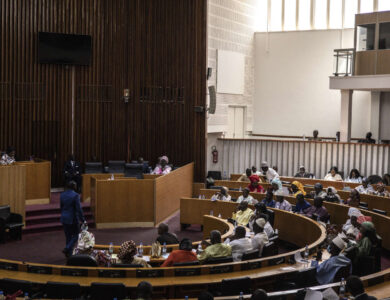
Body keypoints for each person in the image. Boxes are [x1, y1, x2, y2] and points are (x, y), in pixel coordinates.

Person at [60, 181, 85, 257]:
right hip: (73, 219)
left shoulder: (62, 195)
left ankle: (69, 254)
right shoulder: (76, 195)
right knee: (76, 236)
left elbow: (61, 206)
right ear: (74, 187)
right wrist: (83, 220)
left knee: (68, 236)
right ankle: (67, 248)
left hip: (64, 218)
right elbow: (78, 209)